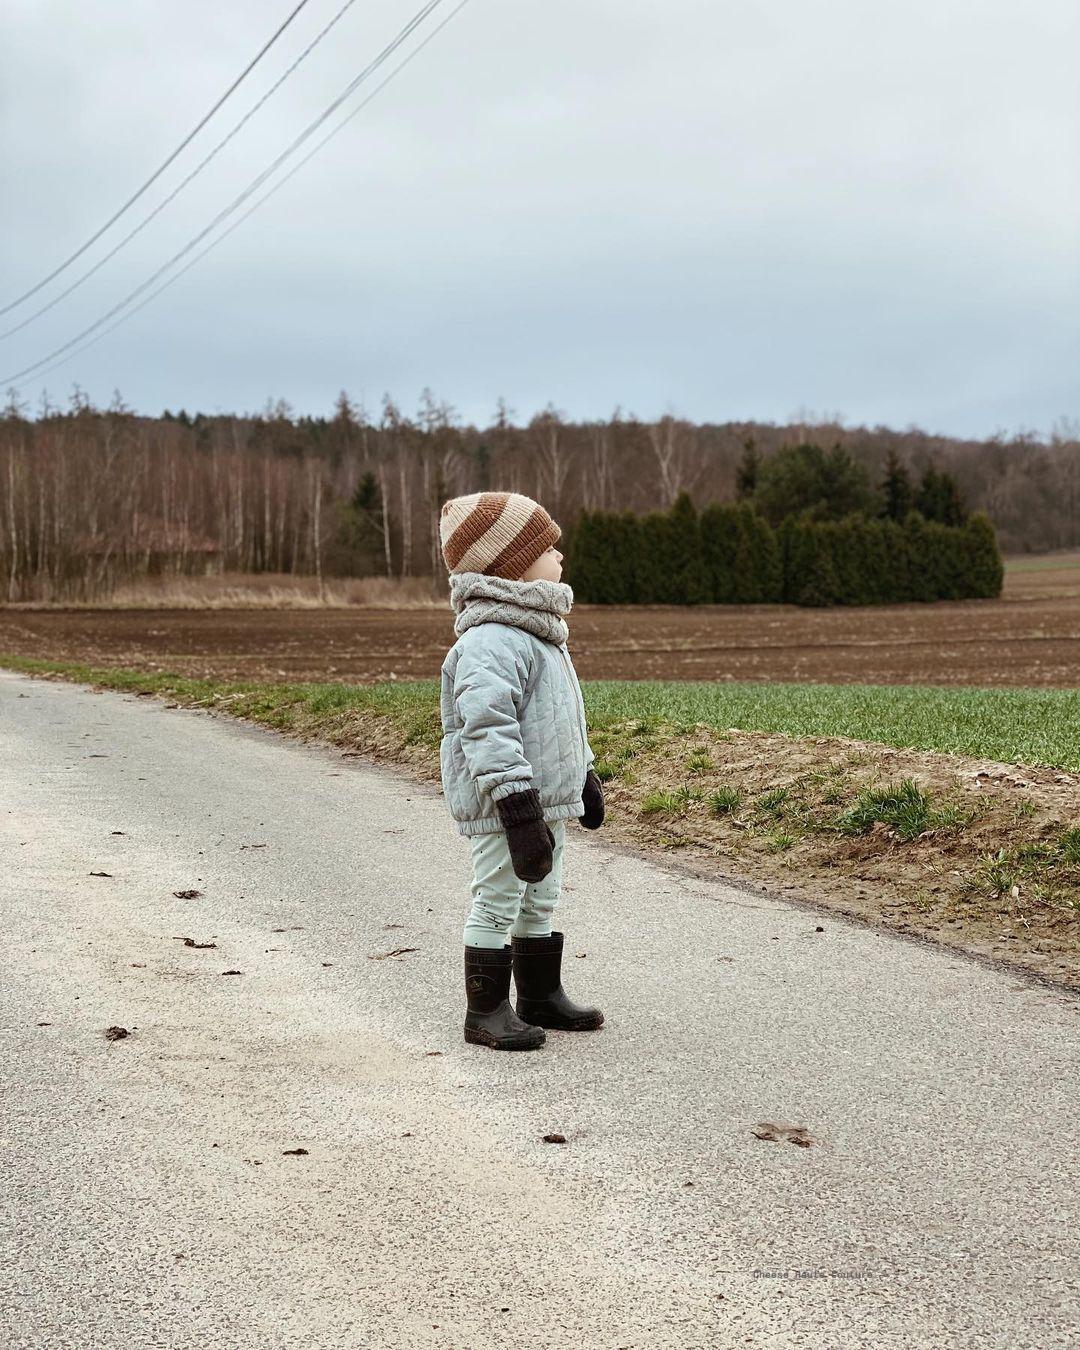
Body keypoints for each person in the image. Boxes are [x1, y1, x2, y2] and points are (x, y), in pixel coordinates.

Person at [438, 491, 606, 1051]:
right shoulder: (490, 641)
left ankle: (539, 996)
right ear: (507, 563)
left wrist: (584, 775)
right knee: (499, 895)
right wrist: (515, 806)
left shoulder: (539, 634)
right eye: (546, 546)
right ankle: (484, 1011)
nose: (559, 554)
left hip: (544, 801)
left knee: (541, 896)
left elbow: (560, 725)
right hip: (506, 803)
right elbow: (485, 728)